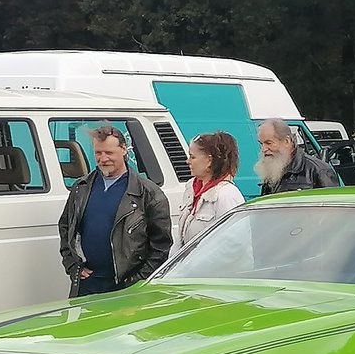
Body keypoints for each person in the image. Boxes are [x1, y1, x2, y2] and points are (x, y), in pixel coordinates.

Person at [58, 124, 173, 297]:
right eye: (98, 153)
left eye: (109, 153)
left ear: (124, 150)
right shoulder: (81, 188)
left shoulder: (148, 193)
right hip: (87, 285)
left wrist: (137, 281)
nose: (103, 159)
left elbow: (161, 246)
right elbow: (65, 227)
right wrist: (72, 265)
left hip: (127, 289)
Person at [177, 131, 246, 246]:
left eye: (192, 157)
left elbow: (235, 243)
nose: (187, 161)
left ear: (209, 161)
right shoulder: (191, 189)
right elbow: (180, 241)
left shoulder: (226, 194)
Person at [256, 118, 337, 195]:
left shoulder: (319, 170)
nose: (264, 149)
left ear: (287, 141)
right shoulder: (273, 170)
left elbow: (332, 202)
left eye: (269, 143)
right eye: (261, 144)